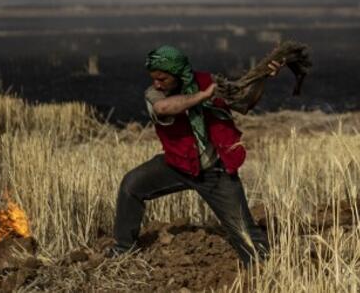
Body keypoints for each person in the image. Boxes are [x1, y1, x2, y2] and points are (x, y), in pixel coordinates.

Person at [112, 45, 273, 265]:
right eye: (154, 78)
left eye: (163, 79)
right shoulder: (154, 94)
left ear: (178, 74)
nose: (157, 83)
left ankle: (263, 269)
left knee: (245, 232)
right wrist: (204, 96)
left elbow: (245, 102)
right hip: (177, 166)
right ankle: (123, 250)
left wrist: (263, 77)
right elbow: (165, 108)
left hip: (215, 172)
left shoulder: (207, 81)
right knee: (131, 185)